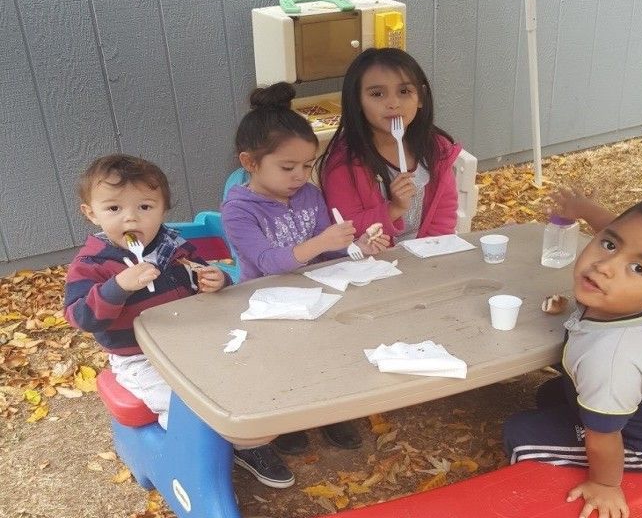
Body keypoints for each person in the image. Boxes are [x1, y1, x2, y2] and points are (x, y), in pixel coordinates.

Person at [64, 154, 294, 489]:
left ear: (162, 209)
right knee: (185, 405)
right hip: (139, 357)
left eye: (145, 207)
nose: (130, 218)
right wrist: (118, 287)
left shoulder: (173, 247)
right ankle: (194, 460)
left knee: (241, 377)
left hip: (192, 342)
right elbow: (80, 315)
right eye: (114, 209)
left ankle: (250, 445)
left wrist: (215, 280)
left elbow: (198, 272)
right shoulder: (92, 264)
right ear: (91, 213)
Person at [503, 191, 642, 518]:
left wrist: (606, 485)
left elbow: (604, 437)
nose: (605, 266)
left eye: (638, 268)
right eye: (609, 245)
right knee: (552, 394)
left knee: (521, 432)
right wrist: (584, 209)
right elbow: (626, 238)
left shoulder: (611, 360)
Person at [221, 83, 390, 457]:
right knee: (280, 363)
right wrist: (325, 242)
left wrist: (358, 248)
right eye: (287, 167)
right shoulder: (238, 210)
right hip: (265, 300)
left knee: (330, 352)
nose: (300, 175)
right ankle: (286, 421)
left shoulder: (309, 195)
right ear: (249, 162)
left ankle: (329, 412)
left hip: (315, 292)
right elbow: (267, 262)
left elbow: (325, 256)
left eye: (308, 166)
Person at [318, 47, 462, 241]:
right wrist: (394, 208)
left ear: (421, 96)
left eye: (404, 91)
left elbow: (443, 219)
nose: (393, 103)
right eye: (377, 94)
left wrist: (431, 259)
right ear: (357, 101)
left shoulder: (436, 149)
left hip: (426, 257)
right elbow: (346, 230)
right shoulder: (344, 164)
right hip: (373, 263)